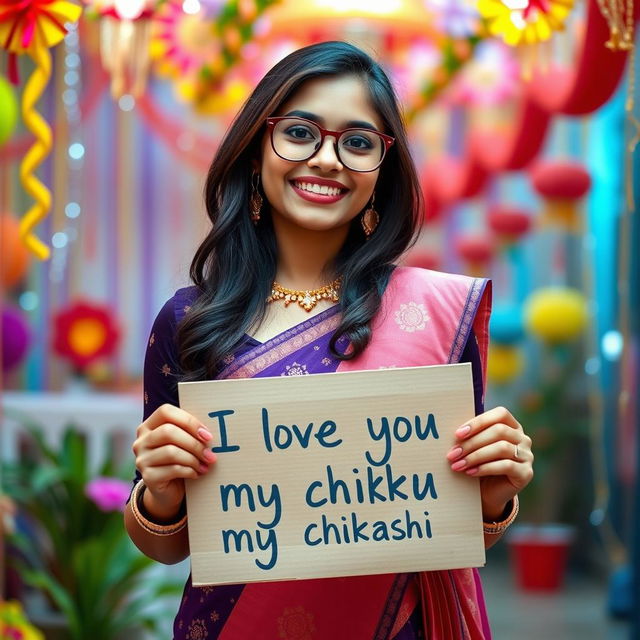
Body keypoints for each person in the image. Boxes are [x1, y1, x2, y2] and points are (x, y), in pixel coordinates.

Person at [124, 41, 534, 639]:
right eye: (299, 132)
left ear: (381, 169)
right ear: (256, 146)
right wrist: (160, 492)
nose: (326, 159)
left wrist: (494, 494)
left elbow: (449, 522)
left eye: (359, 142)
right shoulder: (190, 321)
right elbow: (167, 545)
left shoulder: (434, 315)